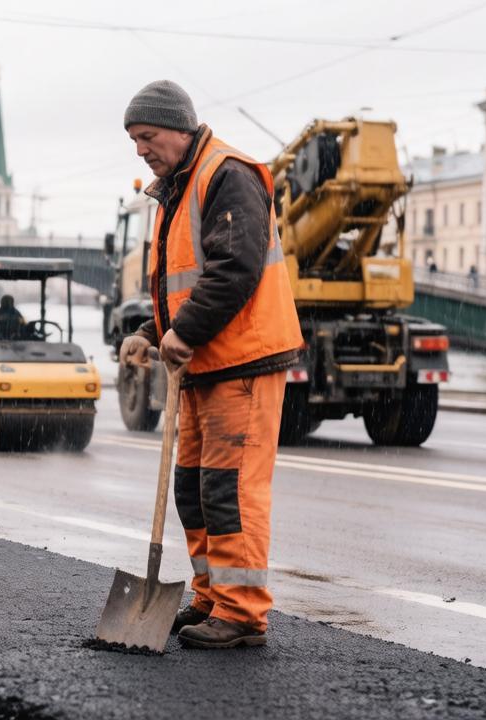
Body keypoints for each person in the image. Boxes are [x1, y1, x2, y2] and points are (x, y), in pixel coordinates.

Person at [118, 80, 303, 649]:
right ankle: (212, 596)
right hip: (205, 363)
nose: (141, 149)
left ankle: (243, 612)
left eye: (147, 137)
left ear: (178, 127)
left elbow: (235, 271)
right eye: (134, 140)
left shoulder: (227, 173)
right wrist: (150, 333)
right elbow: (187, 284)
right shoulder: (178, 188)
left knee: (230, 490)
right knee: (193, 489)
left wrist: (185, 333)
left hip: (241, 362)